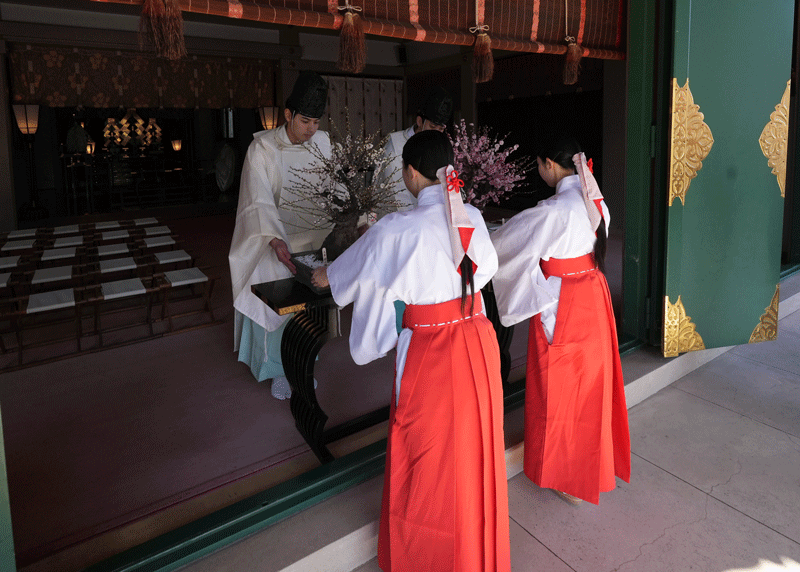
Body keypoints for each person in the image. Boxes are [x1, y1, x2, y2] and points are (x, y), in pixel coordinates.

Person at [311, 130, 510, 571]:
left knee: (427, 450)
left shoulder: (398, 227)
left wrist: (328, 275)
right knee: (472, 444)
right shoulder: (472, 215)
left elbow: (352, 271)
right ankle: (475, 547)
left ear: (411, 173)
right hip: (477, 340)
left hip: (433, 349)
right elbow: (489, 266)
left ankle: (428, 554)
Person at [490, 136, 631, 505]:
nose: (540, 172)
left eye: (540, 166)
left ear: (549, 165)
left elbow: (504, 244)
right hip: (591, 294)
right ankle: (587, 467)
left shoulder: (553, 210)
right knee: (589, 384)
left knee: (561, 386)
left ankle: (568, 475)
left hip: (563, 300)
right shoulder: (593, 199)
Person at [228, 71, 330, 400]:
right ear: (288, 115)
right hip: (276, 240)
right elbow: (255, 200)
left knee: (312, 307)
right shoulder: (263, 149)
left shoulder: (324, 144)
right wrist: (273, 238)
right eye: (305, 121)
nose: (311, 129)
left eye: (316, 122)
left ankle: (305, 361)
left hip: (314, 239)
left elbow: (334, 189)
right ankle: (279, 370)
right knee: (278, 302)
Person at [378, 86, 453, 212]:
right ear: (419, 121)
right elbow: (396, 192)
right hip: (399, 217)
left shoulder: (439, 145)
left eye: (440, 129)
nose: (436, 133)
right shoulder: (395, 144)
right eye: (432, 126)